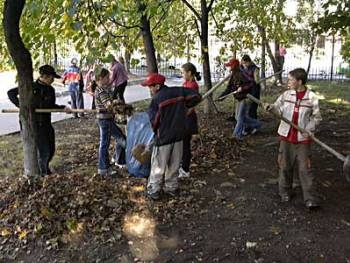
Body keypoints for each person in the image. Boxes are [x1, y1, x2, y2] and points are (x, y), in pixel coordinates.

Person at [264, 68, 322, 209]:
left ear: (299, 81)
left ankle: (310, 199)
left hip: (302, 139)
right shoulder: (286, 95)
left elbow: (316, 117)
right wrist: (271, 108)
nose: (288, 82)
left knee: (305, 169)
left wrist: (309, 129)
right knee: (285, 165)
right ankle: (285, 192)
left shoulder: (311, 98)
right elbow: (278, 109)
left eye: (291, 80)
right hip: (286, 137)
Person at [142, 73, 201, 200]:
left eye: (150, 87)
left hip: (163, 137)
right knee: (174, 164)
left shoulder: (156, 100)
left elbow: (155, 121)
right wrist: (187, 107)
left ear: (157, 86)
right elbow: (196, 96)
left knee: (158, 165)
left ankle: (154, 190)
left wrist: (157, 130)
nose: (150, 89)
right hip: (179, 134)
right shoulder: (178, 91)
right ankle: (172, 187)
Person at [7, 65, 71, 176]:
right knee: (44, 150)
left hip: (46, 122)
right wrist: (22, 106)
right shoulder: (31, 86)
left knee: (51, 149)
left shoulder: (50, 90)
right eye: (51, 77)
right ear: (45, 76)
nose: (53, 80)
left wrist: (62, 108)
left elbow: (50, 105)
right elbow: (11, 93)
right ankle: (44, 174)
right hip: (35, 123)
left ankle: (45, 167)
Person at [94, 67, 126, 176]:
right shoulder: (101, 90)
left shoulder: (105, 88)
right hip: (105, 120)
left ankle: (119, 160)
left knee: (120, 138)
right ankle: (103, 168)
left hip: (108, 119)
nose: (109, 79)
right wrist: (117, 105)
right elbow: (108, 105)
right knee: (106, 144)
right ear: (100, 78)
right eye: (107, 77)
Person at [218, 58, 260, 140]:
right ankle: (257, 124)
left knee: (240, 118)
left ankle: (236, 136)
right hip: (239, 98)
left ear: (234, 66)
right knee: (238, 117)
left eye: (230, 66)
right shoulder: (233, 75)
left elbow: (252, 83)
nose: (229, 68)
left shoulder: (242, 73)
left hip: (245, 98)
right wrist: (221, 97)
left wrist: (243, 88)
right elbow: (229, 88)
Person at [178, 62, 201, 178]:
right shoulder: (186, 83)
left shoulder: (193, 86)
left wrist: (186, 112)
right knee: (182, 143)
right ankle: (182, 165)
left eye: (183, 72)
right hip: (183, 117)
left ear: (189, 73)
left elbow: (191, 104)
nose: (181, 74)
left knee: (185, 144)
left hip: (188, 118)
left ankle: (185, 169)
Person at [240, 55, 260, 120]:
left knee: (253, 107)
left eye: (245, 63)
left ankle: (254, 125)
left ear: (249, 61)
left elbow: (256, 81)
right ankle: (249, 124)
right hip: (246, 89)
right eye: (243, 63)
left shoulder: (255, 69)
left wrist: (252, 80)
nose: (244, 65)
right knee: (246, 108)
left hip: (254, 89)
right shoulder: (242, 68)